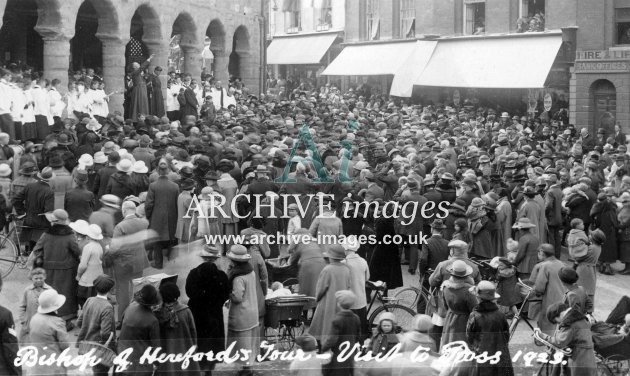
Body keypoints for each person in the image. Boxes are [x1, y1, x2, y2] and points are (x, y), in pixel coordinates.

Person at [185, 244, 230, 376]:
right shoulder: (221, 276)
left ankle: (199, 367)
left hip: (197, 313)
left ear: (204, 258)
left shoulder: (194, 273)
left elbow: (189, 292)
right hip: (214, 314)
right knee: (213, 342)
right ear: (215, 259)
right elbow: (225, 294)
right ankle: (209, 369)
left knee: (199, 340)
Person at [34, 209, 80, 328]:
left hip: (48, 270)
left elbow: (37, 249)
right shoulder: (70, 235)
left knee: (50, 292)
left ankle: (49, 316)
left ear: (54, 221)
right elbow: (77, 251)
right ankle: (65, 320)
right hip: (67, 271)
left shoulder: (46, 234)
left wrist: (41, 260)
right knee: (66, 294)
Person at [107, 200, 151, 325]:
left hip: (123, 263)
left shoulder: (120, 226)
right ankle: (137, 315)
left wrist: (107, 251)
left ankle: (122, 319)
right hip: (139, 260)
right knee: (136, 288)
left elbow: (115, 248)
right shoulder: (143, 223)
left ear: (124, 210)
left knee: (123, 291)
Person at [466, 280, 514, 376]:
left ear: (478, 298)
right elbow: (506, 334)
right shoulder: (500, 314)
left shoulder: (474, 315)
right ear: (493, 299)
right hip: (501, 351)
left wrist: (473, 349)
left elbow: (469, 336)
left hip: (482, 352)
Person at [537, 303, 597, 376]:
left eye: (556, 321)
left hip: (579, 359)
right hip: (588, 357)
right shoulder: (579, 316)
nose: (558, 323)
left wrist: (542, 336)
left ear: (558, 314)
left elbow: (558, 342)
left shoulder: (569, 323)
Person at [308, 244, 351, 345]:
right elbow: (349, 285)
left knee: (324, 325)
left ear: (330, 257)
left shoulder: (328, 269)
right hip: (341, 302)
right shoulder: (346, 269)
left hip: (327, 302)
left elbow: (321, 287)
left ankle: (324, 345)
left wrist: (317, 298)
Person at [226, 244, 259, 375]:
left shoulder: (238, 277)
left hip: (242, 314)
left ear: (234, 261)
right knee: (249, 341)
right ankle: (248, 367)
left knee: (242, 343)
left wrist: (229, 294)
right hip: (252, 311)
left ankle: (246, 370)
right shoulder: (250, 271)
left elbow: (237, 297)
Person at [156, 282, 201, 376]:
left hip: (167, 353)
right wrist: (194, 345)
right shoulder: (186, 311)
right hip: (185, 349)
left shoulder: (158, 313)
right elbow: (193, 331)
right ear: (177, 295)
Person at [76, 275, 116, 376]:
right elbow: (105, 333)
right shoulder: (107, 307)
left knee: (96, 369)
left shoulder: (89, 300)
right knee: (101, 371)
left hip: (88, 344)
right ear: (111, 289)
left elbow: (79, 322)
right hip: (100, 348)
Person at [117, 284, 161, 376]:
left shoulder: (130, 307)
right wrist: (156, 363)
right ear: (153, 303)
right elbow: (156, 345)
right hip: (139, 363)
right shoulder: (153, 320)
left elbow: (122, 322)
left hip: (122, 354)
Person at [146, 159, 179, 269]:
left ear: (157, 171)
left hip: (156, 217)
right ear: (168, 170)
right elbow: (177, 203)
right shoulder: (175, 186)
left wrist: (148, 216)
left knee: (157, 241)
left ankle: (158, 263)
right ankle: (171, 261)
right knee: (171, 238)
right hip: (172, 216)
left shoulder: (153, 186)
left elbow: (149, 204)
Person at [28, 289, 71, 376]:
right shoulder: (57, 322)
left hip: (37, 363)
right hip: (53, 363)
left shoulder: (34, 318)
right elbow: (65, 345)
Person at [320, 290, 361, 376]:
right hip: (351, 351)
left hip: (339, 353)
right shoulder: (356, 318)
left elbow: (332, 338)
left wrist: (323, 348)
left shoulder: (337, 320)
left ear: (338, 304)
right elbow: (358, 335)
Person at [440, 260, 478, 349]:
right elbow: (475, 310)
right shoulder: (469, 290)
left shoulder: (445, 287)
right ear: (466, 275)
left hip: (450, 317)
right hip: (464, 321)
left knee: (449, 343)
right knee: (462, 346)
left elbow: (445, 306)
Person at [289, 229, 327, 314]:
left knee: (304, 289)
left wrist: (291, 264)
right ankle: (315, 315)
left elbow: (290, 251)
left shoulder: (297, 239)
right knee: (316, 289)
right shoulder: (313, 240)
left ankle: (303, 314)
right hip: (321, 264)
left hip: (308, 265)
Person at [531, 243, 565, 336]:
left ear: (542, 252)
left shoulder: (545, 265)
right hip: (562, 296)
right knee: (555, 319)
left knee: (546, 319)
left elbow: (540, 286)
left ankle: (544, 338)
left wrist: (536, 293)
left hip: (550, 297)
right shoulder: (561, 263)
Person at [71, 221, 104, 308]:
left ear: (88, 235)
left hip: (87, 280)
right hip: (97, 278)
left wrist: (78, 275)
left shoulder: (88, 247)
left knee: (84, 302)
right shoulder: (99, 246)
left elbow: (83, 266)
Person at [342, 235, 370, 340]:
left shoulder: (345, 263)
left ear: (346, 248)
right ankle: (361, 345)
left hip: (349, 300)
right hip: (362, 299)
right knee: (361, 326)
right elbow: (367, 278)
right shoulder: (363, 261)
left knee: (350, 328)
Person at [18, 267, 51, 345]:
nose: (38, 280)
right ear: (31, 278)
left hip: (44, 324)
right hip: (29, 324)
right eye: (36, 278)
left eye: (41, 278)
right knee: (30, 345)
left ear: (45, 277)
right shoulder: (27, 290)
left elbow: (53, 307)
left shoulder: (49, 290)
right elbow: (22, 306)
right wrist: (23, 319)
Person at [128, 54, 154, 122]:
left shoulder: (140, 72)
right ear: (134, 67)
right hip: (138, 90)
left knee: (144, 103)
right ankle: (136, 118)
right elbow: (142, 67)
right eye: (137, 64)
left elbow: (146, 79)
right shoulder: (135, 72)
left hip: (143, 89)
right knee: (139, 103)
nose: (138, 64)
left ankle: (144, 117)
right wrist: (148, 59)